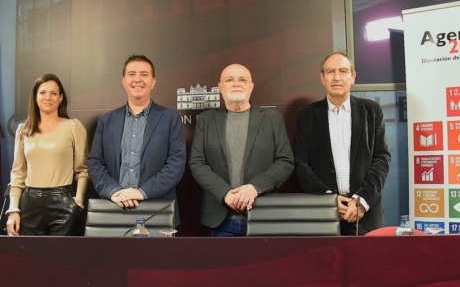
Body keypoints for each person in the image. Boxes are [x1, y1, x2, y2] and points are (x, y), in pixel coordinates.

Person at [189, 63, 294, 237]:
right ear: (220, 87)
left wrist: (255, 187)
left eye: (242, 80)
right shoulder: (206, 120)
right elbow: (197, 163)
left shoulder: (272, 119)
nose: (236, 84)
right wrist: (224, 193)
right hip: (221, 218)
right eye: (230, 80)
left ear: (251, 86)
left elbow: (285, 161)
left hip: (263, 216)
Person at [294, 53, 391, 235]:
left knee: (367, 263)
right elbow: (301, 163)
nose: (337, 77)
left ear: (353, 77)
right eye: (330, 72)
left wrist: (362, 200)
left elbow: (382, 159)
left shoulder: (371, 111)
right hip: (323, 215)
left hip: (365, 214)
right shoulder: (307, 115)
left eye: (343, 71)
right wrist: (329, 200)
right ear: (322, 78)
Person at [87, 55, 186, 223]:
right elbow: (95, 162)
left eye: (144, 74)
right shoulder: (106, 121)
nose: (138, 79)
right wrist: (114, 192)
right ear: (124, 81)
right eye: (132, 74)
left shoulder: (171, 119)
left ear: (153, 81)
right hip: (114, 209)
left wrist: (142, 192)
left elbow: (176, 164)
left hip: (157, 210)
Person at [6, 74, 89, 236]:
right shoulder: (23, 130)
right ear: (35, 98)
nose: (48, 97)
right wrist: (13, 210)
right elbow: (17, 173)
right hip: (29, 204)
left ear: (61, 98)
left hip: (63, 203)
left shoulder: (73, 127)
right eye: (42, 92)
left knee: (61, 259)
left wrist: (78, 202)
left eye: (53, 93)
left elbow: (82, 170)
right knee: (29, 259)